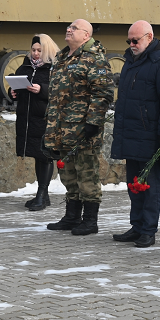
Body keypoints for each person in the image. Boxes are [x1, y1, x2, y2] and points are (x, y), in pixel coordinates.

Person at [110, 20, 160, 248]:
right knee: (134, 183)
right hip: (131, 132)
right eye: (129, 40)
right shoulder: (130, 62)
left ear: (149, 38)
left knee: (150, 185)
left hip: (150, 134)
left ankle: (148, 230)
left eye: (135, 40)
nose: (131, 44)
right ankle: (137, 226)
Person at [45, 18, 114, 236]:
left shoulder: (94, 59)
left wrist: (93, 122)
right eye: (69, 26)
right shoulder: (62, 58)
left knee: (87, 174)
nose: (69, 29)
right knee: (68, 174)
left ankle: (90, 221)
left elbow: (102, 93)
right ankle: (72, 216)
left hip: (83, 128)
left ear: (86, 35)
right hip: (62, 128)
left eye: (74, 28)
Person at [10, 34, 57, 211]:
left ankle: (41, 194)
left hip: (44, 118)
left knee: (44, 157)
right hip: (29, 119)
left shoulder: (53, 68)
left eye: (39, 50)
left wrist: (42, 89)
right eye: (33, 50)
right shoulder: (25, 66)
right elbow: (16, 85)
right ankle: (43, 195)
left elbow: (60, 91)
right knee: (38, 156)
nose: (36, 53)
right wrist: (12, 92)